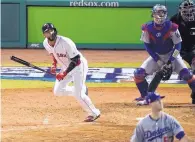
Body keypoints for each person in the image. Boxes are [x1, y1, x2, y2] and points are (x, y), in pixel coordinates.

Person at [133, 4, 195, 104]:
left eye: (162, 12)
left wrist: (171, 61)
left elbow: (178, 46)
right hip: (156, 56)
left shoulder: (172, 27)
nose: (160, 15)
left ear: (166, 14)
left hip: (172, 55)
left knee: (187, 75)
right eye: (158, 12)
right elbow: (148, 46)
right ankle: (145, 97)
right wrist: (157, 60)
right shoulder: (147, 28)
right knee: (138, 74)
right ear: (153, 14)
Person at [42, 23, 100, 122]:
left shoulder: (66, 42)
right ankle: (81, 89)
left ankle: (94, 112)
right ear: (44, 34)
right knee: (58, 91)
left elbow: (76, 60)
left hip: (78, 67)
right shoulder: (45, 43)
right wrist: (54, 65)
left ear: (54, 30)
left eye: (51, 30)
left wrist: (64, 74)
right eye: (47, 32)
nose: (50, 33)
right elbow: (53, 54)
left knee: (78, 95)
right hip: (65, 67)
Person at [170, 0, 195, 104]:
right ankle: (149, 95)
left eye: (191, 10)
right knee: (165, 68)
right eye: (186, 11)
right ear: (180, 11)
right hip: (178, 49)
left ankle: (194, 94)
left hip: (193, 49)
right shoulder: (174, 20)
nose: (189, 13)